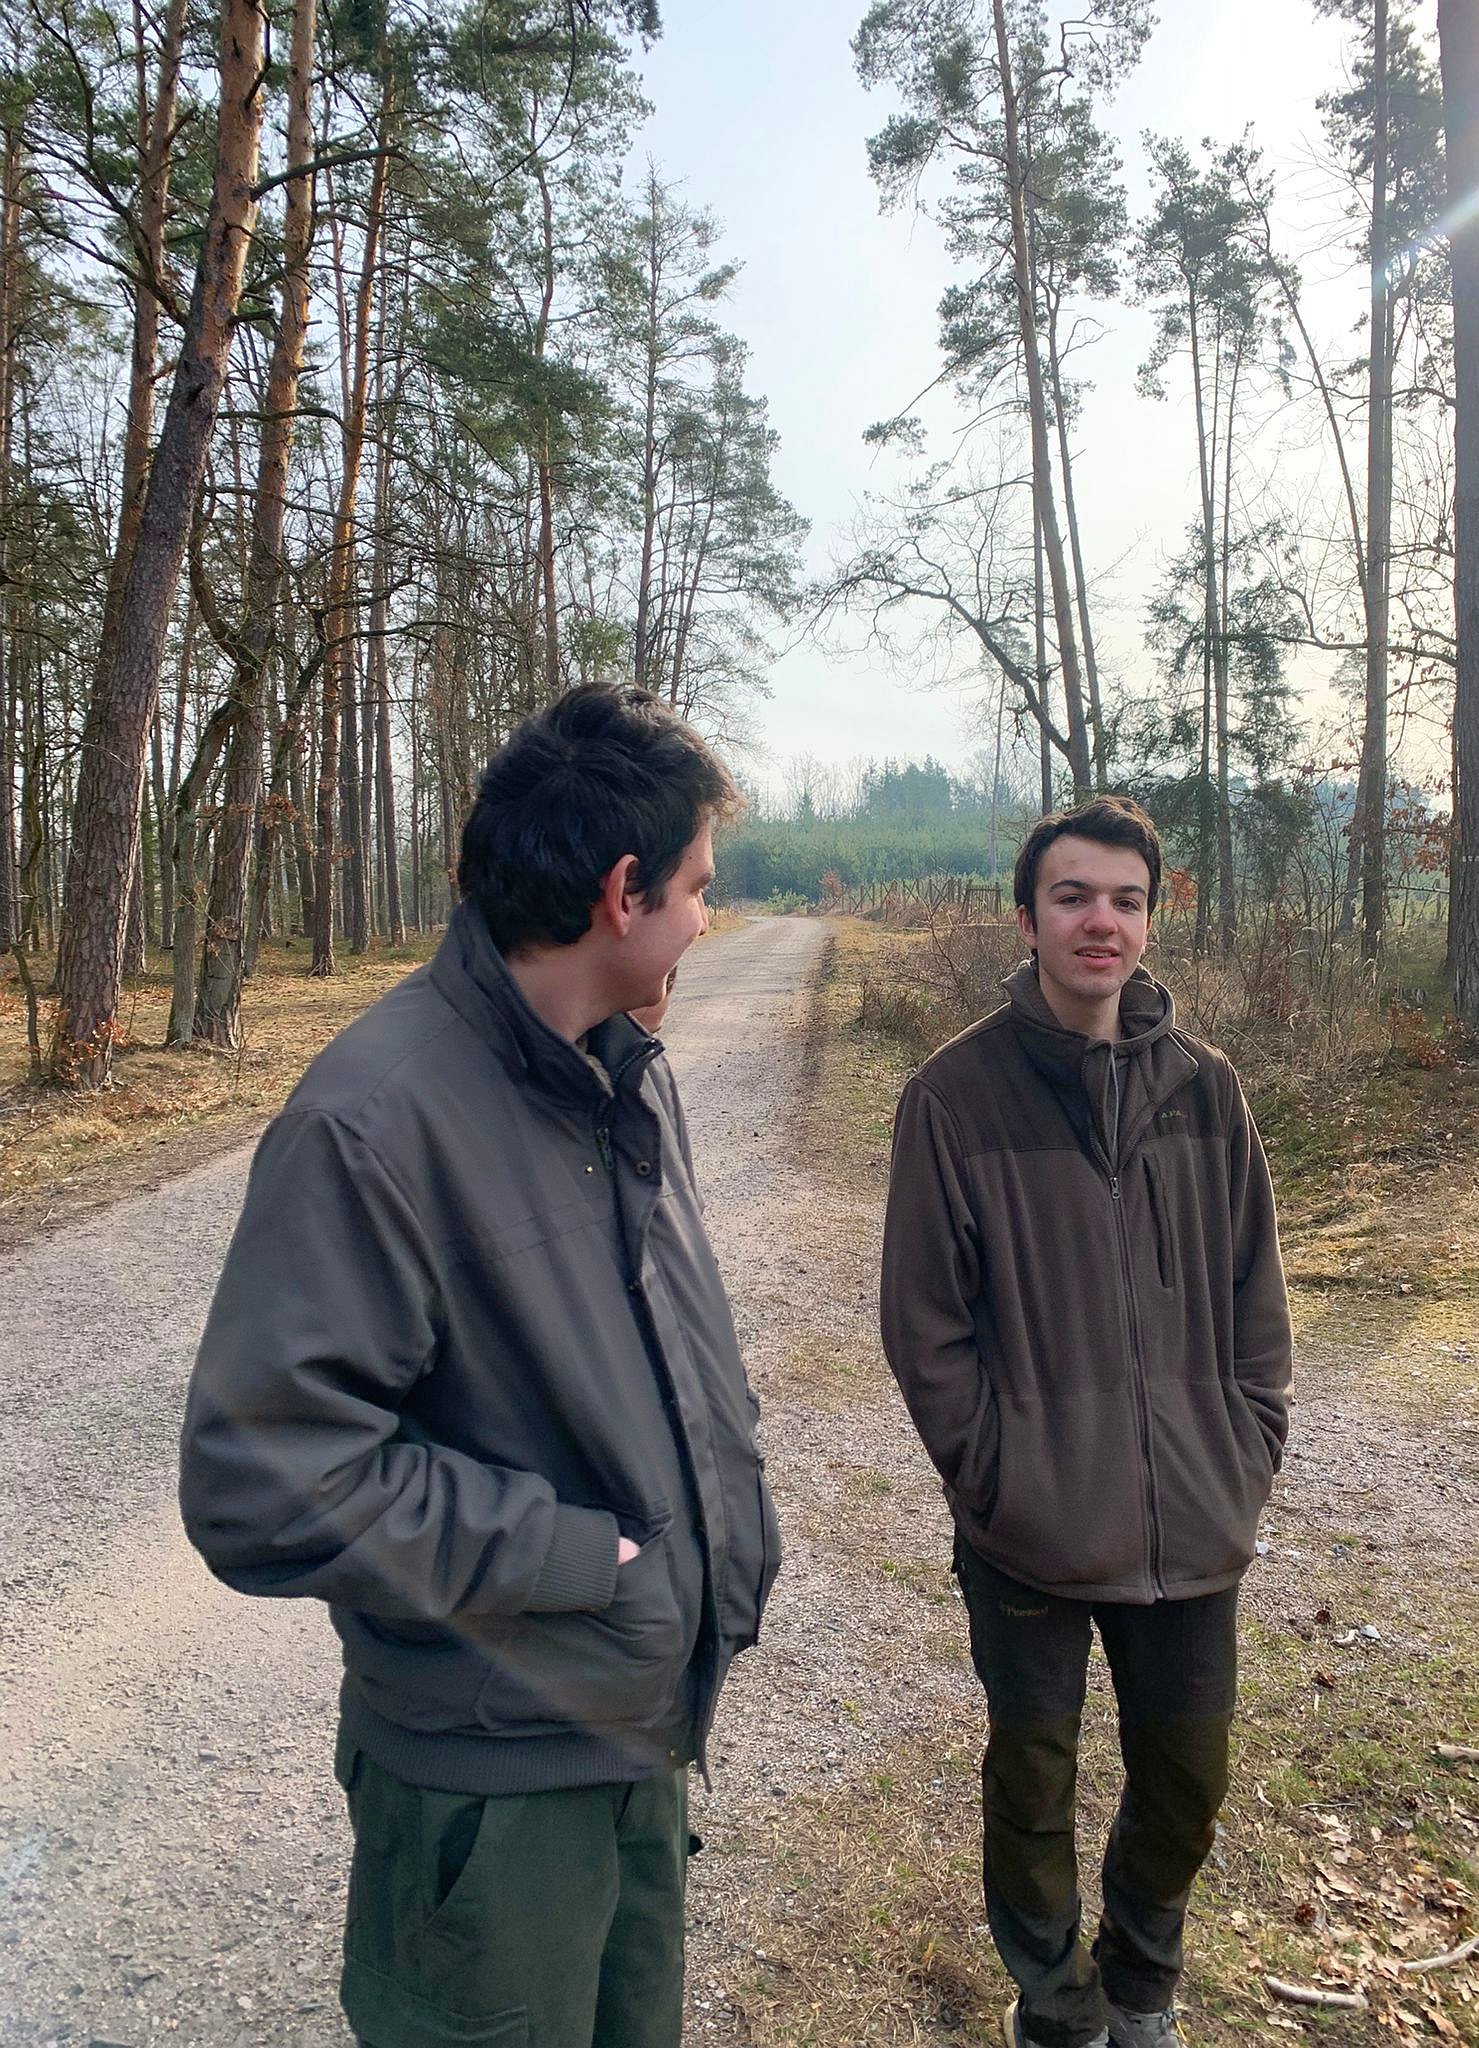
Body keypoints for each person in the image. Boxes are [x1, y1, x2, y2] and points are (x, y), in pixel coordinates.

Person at [181, 684, 780, 2048]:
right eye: (699, 886)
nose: (707, 917)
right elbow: (261, 1478)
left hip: (632, 1731)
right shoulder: (371, 1121)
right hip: (490, 1786)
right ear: (622, 893)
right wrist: (575, 1557)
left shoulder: (624, 1069)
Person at [880, 795, 1292, 2048]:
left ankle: (1141, 1981)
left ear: (1151, 919)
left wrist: (1244, 1446)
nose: (1099, 920)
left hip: (1193, 1519)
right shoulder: (953, 1096)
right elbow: (925, 1324)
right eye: (1072, 896)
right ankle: (1056, 2005)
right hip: (1031, 1529)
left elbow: (1257, 1295)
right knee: (1033, 1780)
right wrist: (997, 1479)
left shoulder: (1208, 1091)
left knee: (1188, 1775)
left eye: (1125, 898)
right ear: (1027, 917)